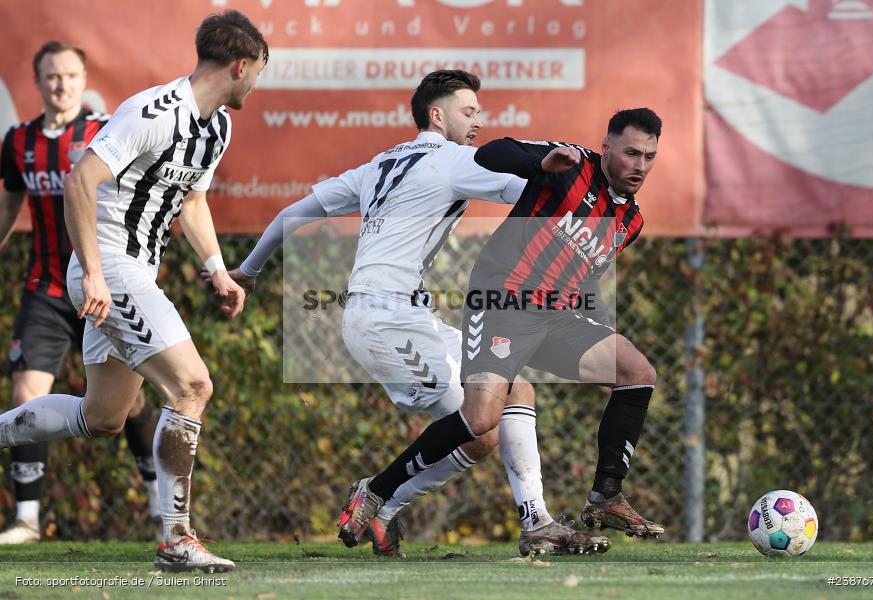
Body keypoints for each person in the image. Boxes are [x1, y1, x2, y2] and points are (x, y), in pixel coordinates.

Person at [230, 70, 608, 557]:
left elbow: (294, 212)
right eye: (468, 111)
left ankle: (532, 520)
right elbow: (529, 194)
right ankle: (382, 497)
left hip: (406, 317)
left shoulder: (377, 165)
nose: (477, 122)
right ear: (437, 115)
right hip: (386, 321)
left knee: (516, 391)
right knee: (479, 429)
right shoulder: (454, 160)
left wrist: (249, 269)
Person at [0, 10, 267, 572]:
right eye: (257, 73)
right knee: (192, 385)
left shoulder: (217, 125)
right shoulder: (152, 112)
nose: (255, 84)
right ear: (240, 66)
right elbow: (81, 180)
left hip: (133, 272)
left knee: (103, 418)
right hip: (112, 268)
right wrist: (95, 273)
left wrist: (217, 268)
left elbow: (191, 200)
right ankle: (176, 539)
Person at [343, 108, 667, 541]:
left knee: (637, 374)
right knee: (480, 419)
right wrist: (540, 164)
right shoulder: (570, 165)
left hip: (555, 316)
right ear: (607, 147)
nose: (640, 165)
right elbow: (492, 154)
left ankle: (605, 496)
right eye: (631, 153)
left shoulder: (632, 221)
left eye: (649, 156)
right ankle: (378, 491)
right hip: (502, 302)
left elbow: (588, 276)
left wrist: (605, 338)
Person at [0, 40, 160, 545]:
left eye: (70, 75)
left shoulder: (102, 131)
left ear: (83, 77)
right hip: (47, 289)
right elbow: (8, 208)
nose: (61, 84)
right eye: (51, 76)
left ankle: (161, 506)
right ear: (38, 81)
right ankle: (26, 519)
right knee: (28, 393)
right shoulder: (19, 141)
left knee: (127, 405)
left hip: (103, 284)